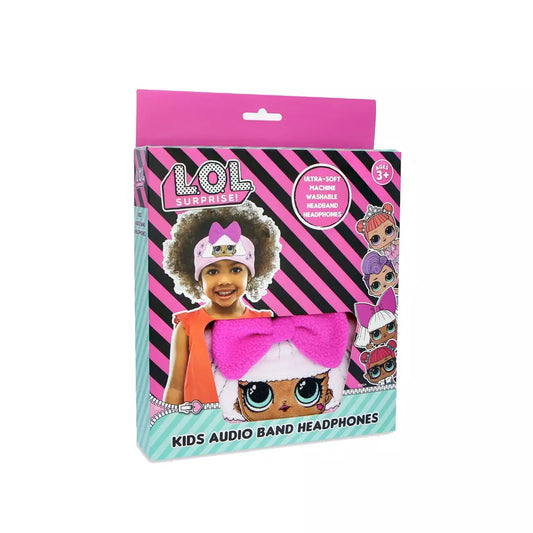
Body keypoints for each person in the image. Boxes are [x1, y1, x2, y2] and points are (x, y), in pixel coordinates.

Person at [162, 201, 281, 405]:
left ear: (250, 274)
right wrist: (170, 421)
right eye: (212, 271)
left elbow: (274, 377)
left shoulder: (264, 322)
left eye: (236, 269)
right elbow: (175, 387)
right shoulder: (187, 326)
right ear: (198, 278)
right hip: (198, 421)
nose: (224, 280)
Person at [356, 202, 399, 273]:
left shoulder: (397, 244)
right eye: (375, 239)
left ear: (395, 227)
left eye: (388, 230)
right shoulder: (378, 255)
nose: (384, 239)